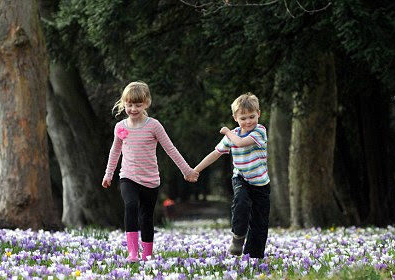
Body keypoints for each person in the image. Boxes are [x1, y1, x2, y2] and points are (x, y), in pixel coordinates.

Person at [102, 81, 198, 262]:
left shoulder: (154, 126)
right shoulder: (120, 127)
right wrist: (109, 174)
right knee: (130, 206)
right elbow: (114, 152)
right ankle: (132, 252)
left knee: (146, 217)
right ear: (124, 104)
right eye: (129, 105)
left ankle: (147, 255)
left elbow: (171, 149)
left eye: (138, 105)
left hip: (150, 180)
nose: (133, 109)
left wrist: (187, 171)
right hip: (128, 177)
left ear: (146, 103)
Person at [193, 93, 270, 258]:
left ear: (259, 114)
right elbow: (216, 153)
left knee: (260, 222)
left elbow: (241, 143)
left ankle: (254, 257)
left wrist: (227, 131)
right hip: (241, 177)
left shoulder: (260, 131)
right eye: (243, 118)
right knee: (241, 202)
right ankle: (238, 236)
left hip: (261, 183)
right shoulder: (233, 134)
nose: (248, 121)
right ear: (235, 118)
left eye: (252, 116)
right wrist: (196, 169)